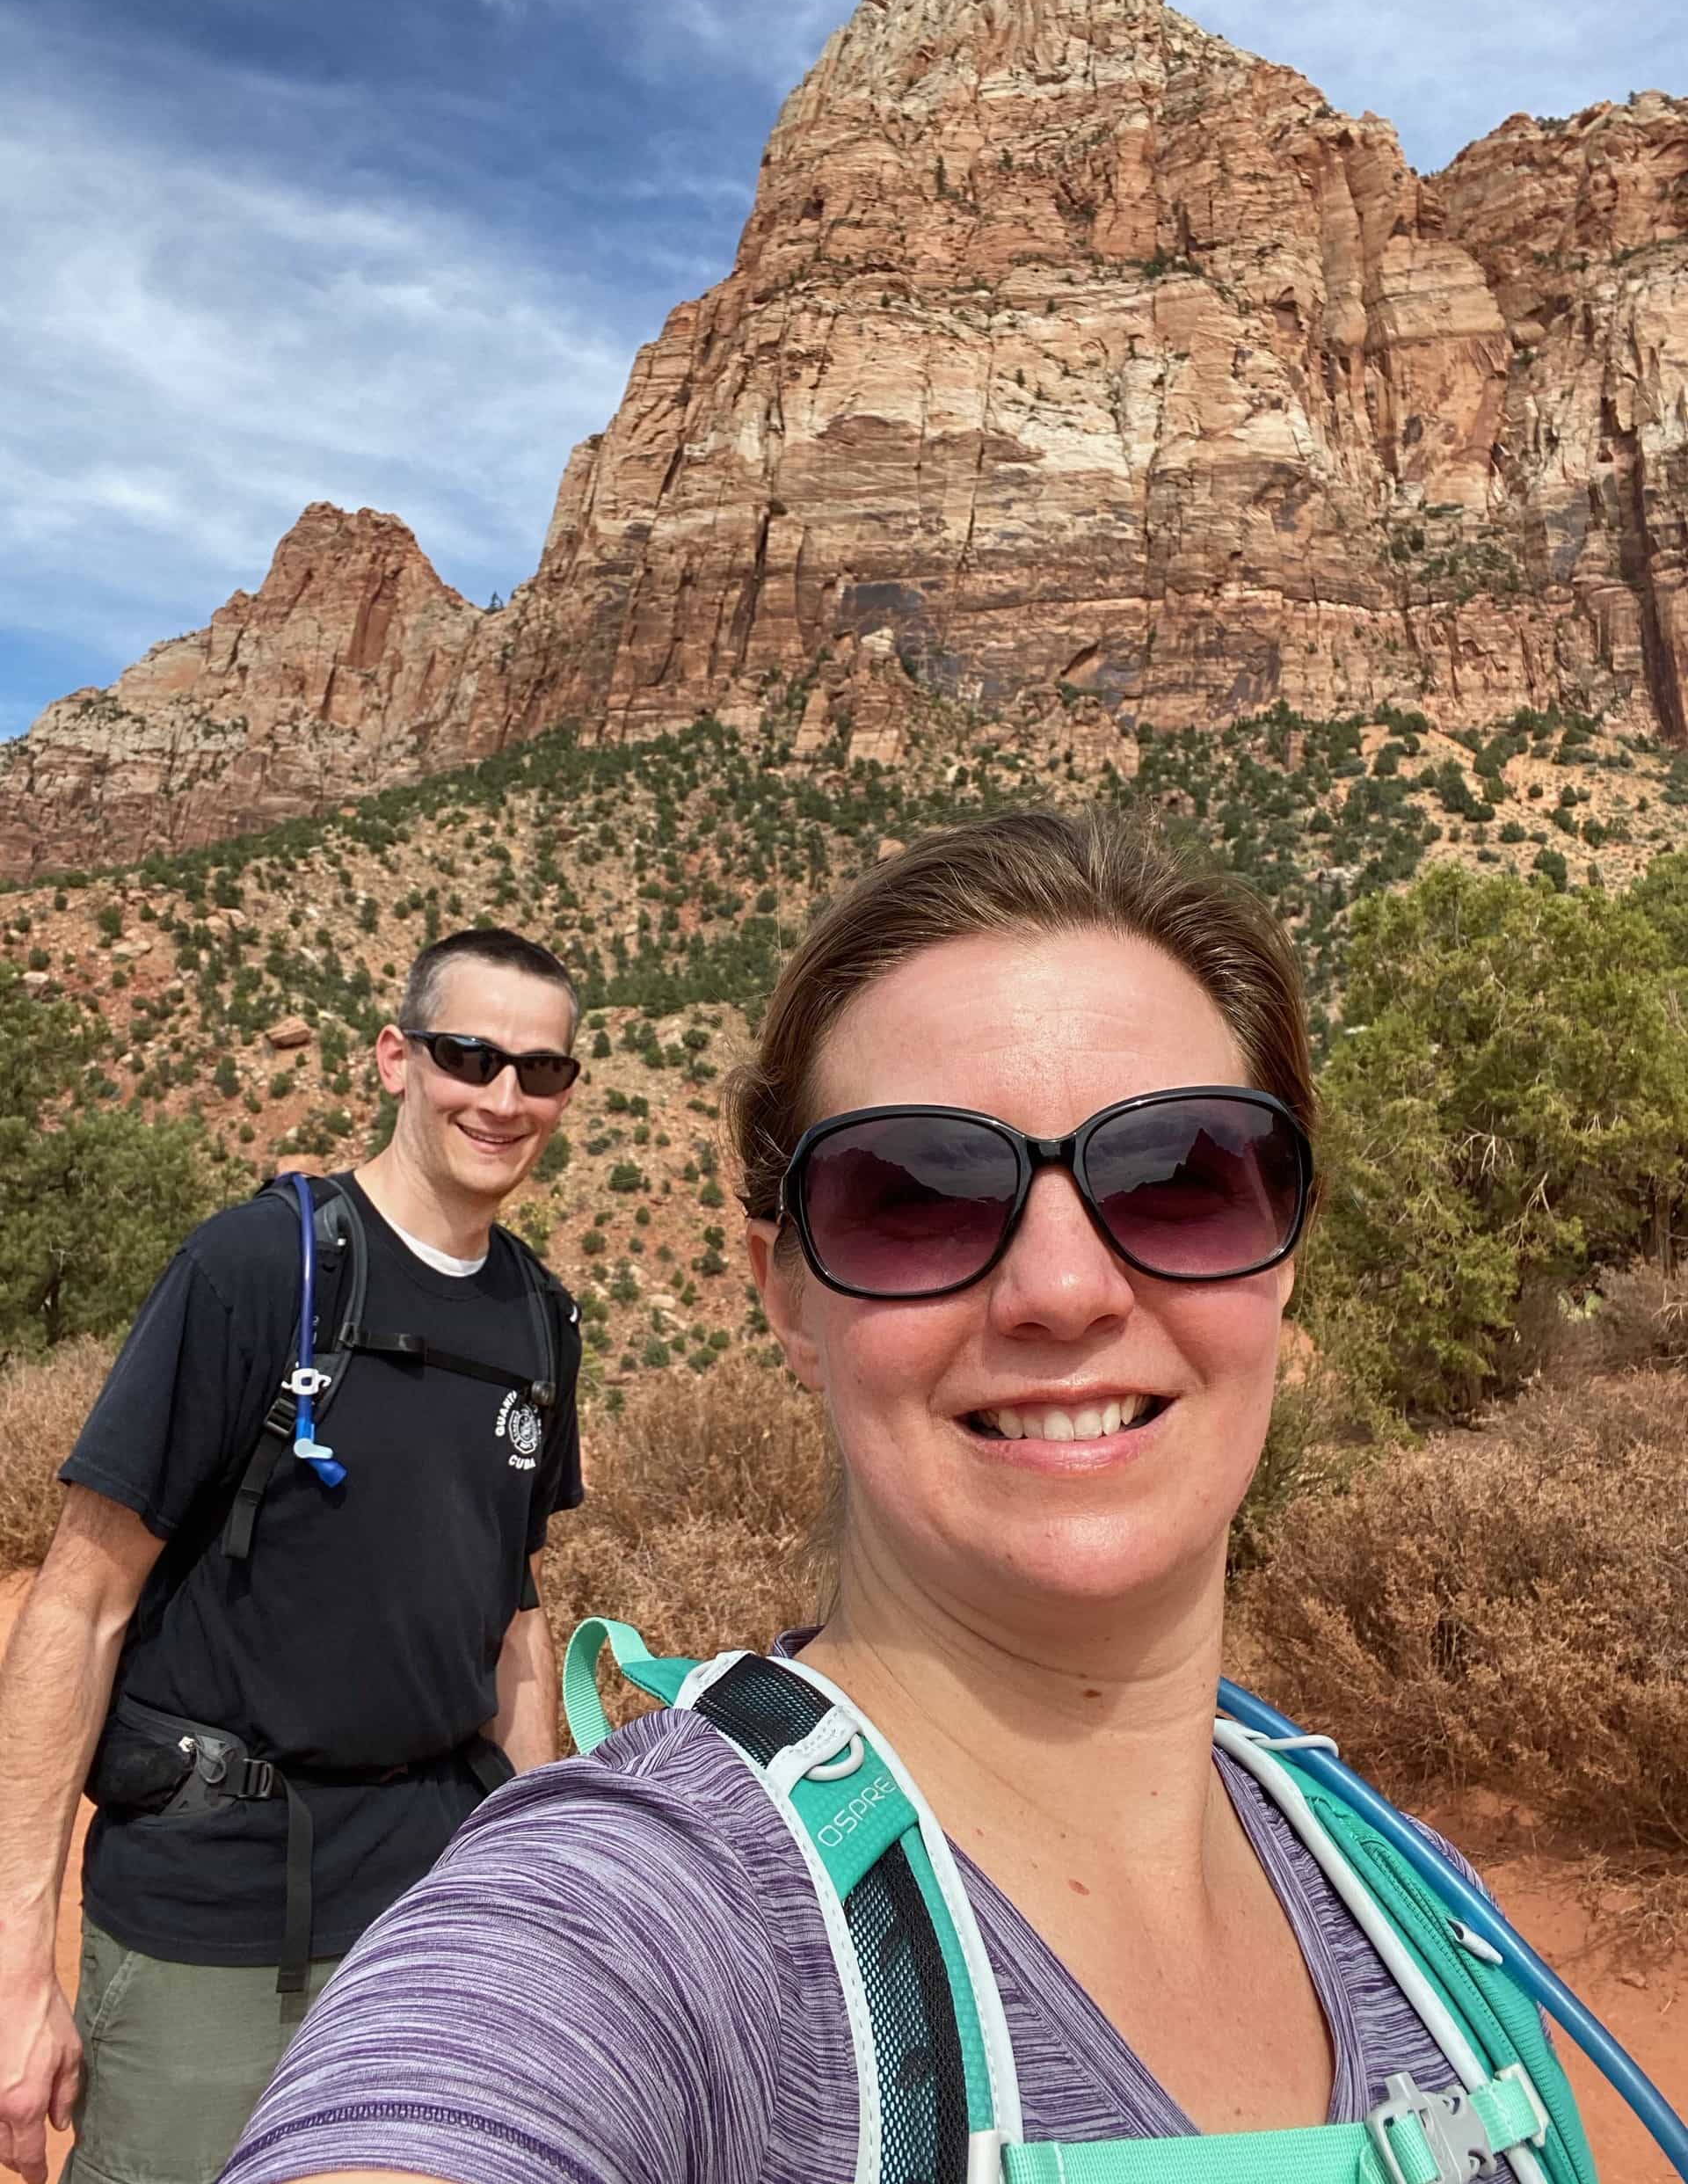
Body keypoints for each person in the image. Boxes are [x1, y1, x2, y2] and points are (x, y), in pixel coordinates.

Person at [213, 813, 1591, 2184]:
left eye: (1181, 1180)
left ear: (1285, 1250)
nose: (1063, 1291)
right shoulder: (642, 1921)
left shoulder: (1419, 1914)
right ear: (788, 1295)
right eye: (915, 1197)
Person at [0, 928, 586, 2184]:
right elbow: (83, 1600)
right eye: (470, 1056)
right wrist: (12, 1974)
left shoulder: (541, 1317)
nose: (503, 1099)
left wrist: (538, 1892)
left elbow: (515, 1619)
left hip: (434, 1909)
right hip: (218, 1908)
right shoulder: (260, 1267)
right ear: (395, 1057)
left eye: (542, 1072)